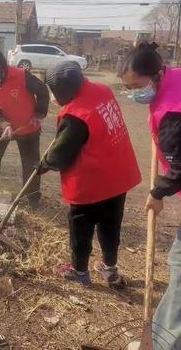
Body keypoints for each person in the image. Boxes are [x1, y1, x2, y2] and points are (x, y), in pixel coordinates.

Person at [41, 61, 141, 286]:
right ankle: (109, 267)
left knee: (81, 229)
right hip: (117, 176)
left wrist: (44, 164)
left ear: (63, 90)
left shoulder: (76, 115)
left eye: (55, 92)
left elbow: (60, 155)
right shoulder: (102, 90)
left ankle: (79, 272)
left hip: (91, 182)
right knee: (110, 225)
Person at [121, 42, 181, 349]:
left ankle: (160, 343)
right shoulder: (175, 78)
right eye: (127, 88)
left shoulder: (172, 109)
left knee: (180, 268)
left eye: (136, 86)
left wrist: (157, 192)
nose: (132, 93)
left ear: (156, 75)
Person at [0, 49, 49, 208]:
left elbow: (43, 91)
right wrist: (4, 125)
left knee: (31, 163)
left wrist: (38, 113)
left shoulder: (21, 75)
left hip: (28, 127)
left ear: (1, 67)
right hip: (4, 125)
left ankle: (32, 197)